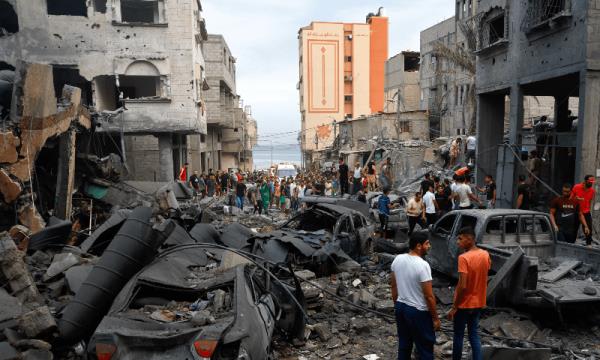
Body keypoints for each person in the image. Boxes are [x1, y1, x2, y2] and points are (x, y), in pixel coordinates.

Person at [391, 232, 440, 360]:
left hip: (401, 307)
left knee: (404, 345)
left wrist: (397, 305)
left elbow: (394, 286)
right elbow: (429, 296)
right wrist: (435, 318)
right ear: (419, 246)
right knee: (425, 349)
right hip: (417, 311)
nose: (429, 246)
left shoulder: (398, 259)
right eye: (427, 244)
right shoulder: (423, 265)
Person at [448, 227, 491, 360]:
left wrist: (455, 306)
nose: (458, 242)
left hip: (464, 304)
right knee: (474, 334)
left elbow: (462, 285)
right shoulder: (485, 254)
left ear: (469, 239)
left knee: (459, 335)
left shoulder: (464, 258)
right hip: (478, 302)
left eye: (460, 238)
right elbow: (486, 270)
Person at [571, 175, 596, 246]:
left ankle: (589, 244)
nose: (591, 184)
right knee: (574, 228)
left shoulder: (592, 191)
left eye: (592, 182)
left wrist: (589, 210)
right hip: (576, 211)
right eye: (590, 182)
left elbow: (590, 202)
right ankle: (571, 244)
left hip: (586, 211)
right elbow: (570, 199)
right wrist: (576, 199)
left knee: (589, 228)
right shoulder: (576, 187)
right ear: (585, 181)